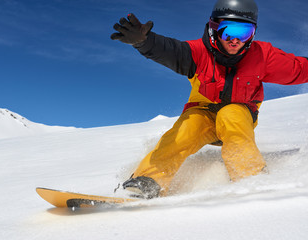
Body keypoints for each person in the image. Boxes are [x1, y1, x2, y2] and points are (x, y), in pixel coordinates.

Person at [111, 0, 308, 199]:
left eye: (244, 33)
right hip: (202, 112)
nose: (235, 40)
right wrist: (145, 42)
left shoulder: (262, 56)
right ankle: (148, 182)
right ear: (214, 28)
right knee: (184, 132)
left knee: (231, 116)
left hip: (239, 112)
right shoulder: (197, 52)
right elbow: (171, 50)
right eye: (228, 31)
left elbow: (298, 69)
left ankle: (251, 178)